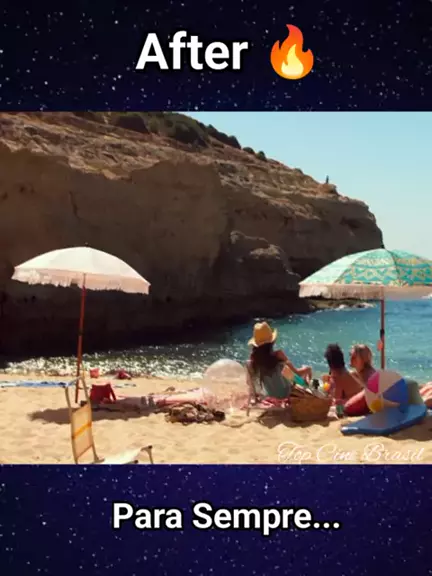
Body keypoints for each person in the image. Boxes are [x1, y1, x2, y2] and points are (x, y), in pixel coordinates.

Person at [246, 322, 312, 403]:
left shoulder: (253, 362)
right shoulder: (279, 355)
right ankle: (308, 385)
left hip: (269, 396)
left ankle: (305, 383)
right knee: (301, 376)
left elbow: (250, 384)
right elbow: (296, 374)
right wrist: (307, 369)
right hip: (287, 394)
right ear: (272, 342)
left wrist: (255, 399)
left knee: (289, 374)